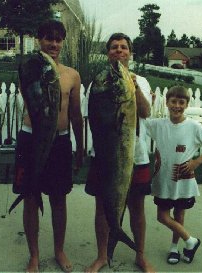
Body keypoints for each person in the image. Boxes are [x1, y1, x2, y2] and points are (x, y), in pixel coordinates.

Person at [13, 20, 84, 273]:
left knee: (58, 198)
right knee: (30, 197)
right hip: (31, 138)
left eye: (58, 39)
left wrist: (81, 147)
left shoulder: (73, 75)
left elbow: (76, 115)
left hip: (61, 141)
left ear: (63, 42)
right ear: (39, 40)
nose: (53, 44)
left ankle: (59, 250)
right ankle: (34, 256)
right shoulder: (30, 69)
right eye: (48, 38)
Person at [84, 33, 156, 273]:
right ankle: (102, 256)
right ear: (108, 53)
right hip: (104, 155)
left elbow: (145, 112)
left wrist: (132, 86)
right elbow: (91, 116)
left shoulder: (140, 81)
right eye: (114, 47)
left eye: (124, 47)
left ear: (130, 53)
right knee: (102, 206)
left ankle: (140, 255)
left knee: (137, 206)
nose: (119, 51)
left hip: (136, 156)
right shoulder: (98, 81)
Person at [145, 86, 202, 265]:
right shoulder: (159, 124)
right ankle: (190, 240)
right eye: (173, 102)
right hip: (163, 179)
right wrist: (151, 102)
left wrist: (196, 162)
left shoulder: (193, 126)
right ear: (167, 102)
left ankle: (174, 247)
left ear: (186, 104)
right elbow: (142, 120)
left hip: (183, 179)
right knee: (162, 216)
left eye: (181, 102)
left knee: (179, 214)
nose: (177, 106)